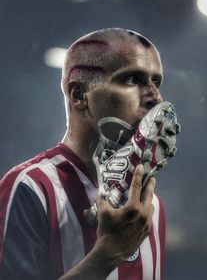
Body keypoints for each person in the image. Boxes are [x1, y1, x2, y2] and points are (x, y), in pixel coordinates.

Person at [0, 28, 166, 280]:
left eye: (157, 82)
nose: (155, 97)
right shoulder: (31, 187)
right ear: (79, 95)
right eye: (132, 79)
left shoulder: (151, 205)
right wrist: (109, 253)